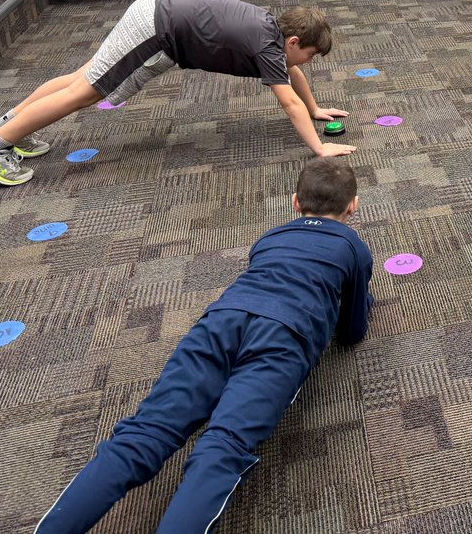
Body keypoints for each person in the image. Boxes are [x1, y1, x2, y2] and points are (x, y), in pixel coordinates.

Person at [34, 158, 373, 534]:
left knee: (146, 431)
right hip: (283, 337)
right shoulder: (353, 246)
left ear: (295, 202)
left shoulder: (270, 237)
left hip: (221, 321)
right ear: (352, 206)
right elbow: (353, 327)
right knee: (223, 447)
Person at [0, 0, 356, 187]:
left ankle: (8, 126)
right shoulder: (266, 45)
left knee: (83, 77)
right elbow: (287, 101)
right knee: (89, 90)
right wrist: (319, 150)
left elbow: (292, 78)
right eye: (311, 54)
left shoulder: (273, 33)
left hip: (156, 19)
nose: (309, 62)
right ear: (292, 42)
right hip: (155, 27)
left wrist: (316, 109)